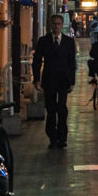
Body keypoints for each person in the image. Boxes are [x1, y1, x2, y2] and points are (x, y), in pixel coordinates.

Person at [32, 13, 77, 149]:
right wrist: (36, 79)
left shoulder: (69, 42)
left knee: (62, 108)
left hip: (63, 80)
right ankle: (52, 137)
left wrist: (72, 81)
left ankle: (62, 137)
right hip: (49, 79)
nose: (56, 26)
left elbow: (71, 63)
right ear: (51, 25)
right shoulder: (43, 41)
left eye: (58, 24)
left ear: (62, 25)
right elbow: (37, 61)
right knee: (51, 109)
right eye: (54, 24)